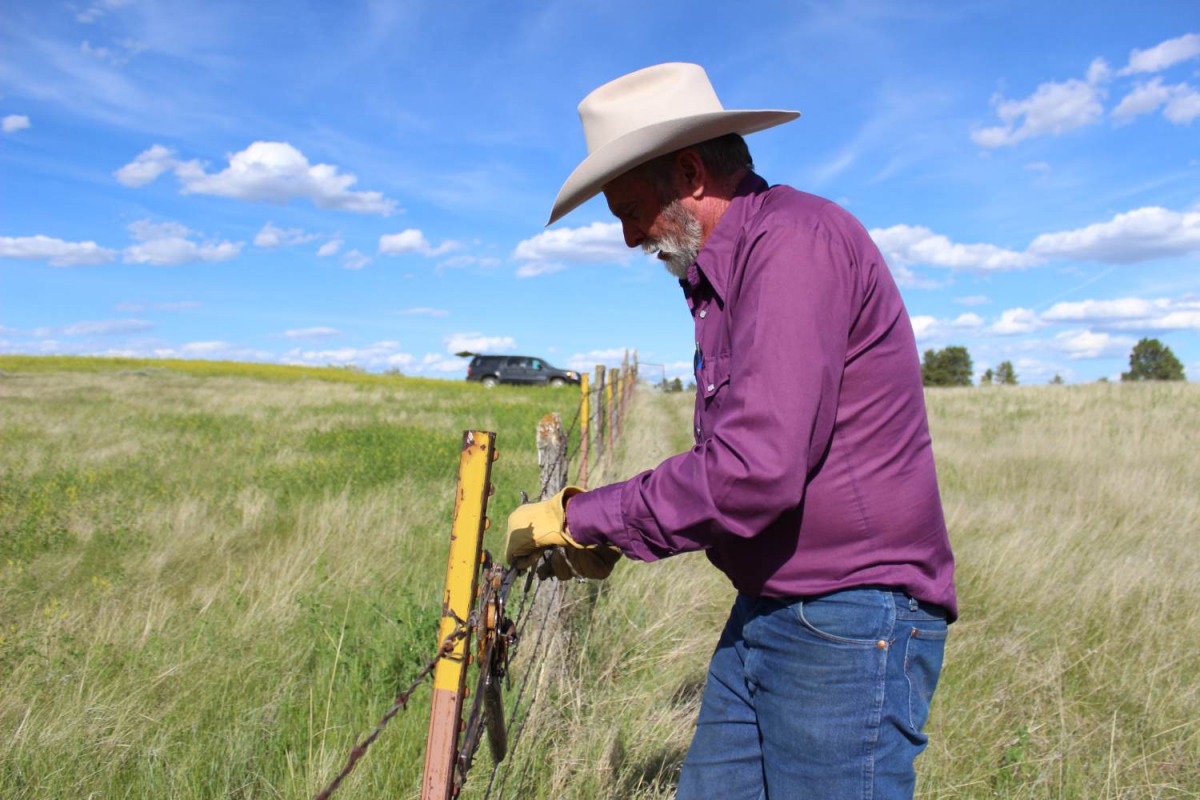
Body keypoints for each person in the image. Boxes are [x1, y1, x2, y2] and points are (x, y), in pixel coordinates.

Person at [505, 62, 956, 799]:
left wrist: (585, 518)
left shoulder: (793, 244)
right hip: (776, 606)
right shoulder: (727, 272)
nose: (625, 238)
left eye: (629, 208)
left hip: (846, 615)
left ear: (689, 172)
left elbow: (754, 469)